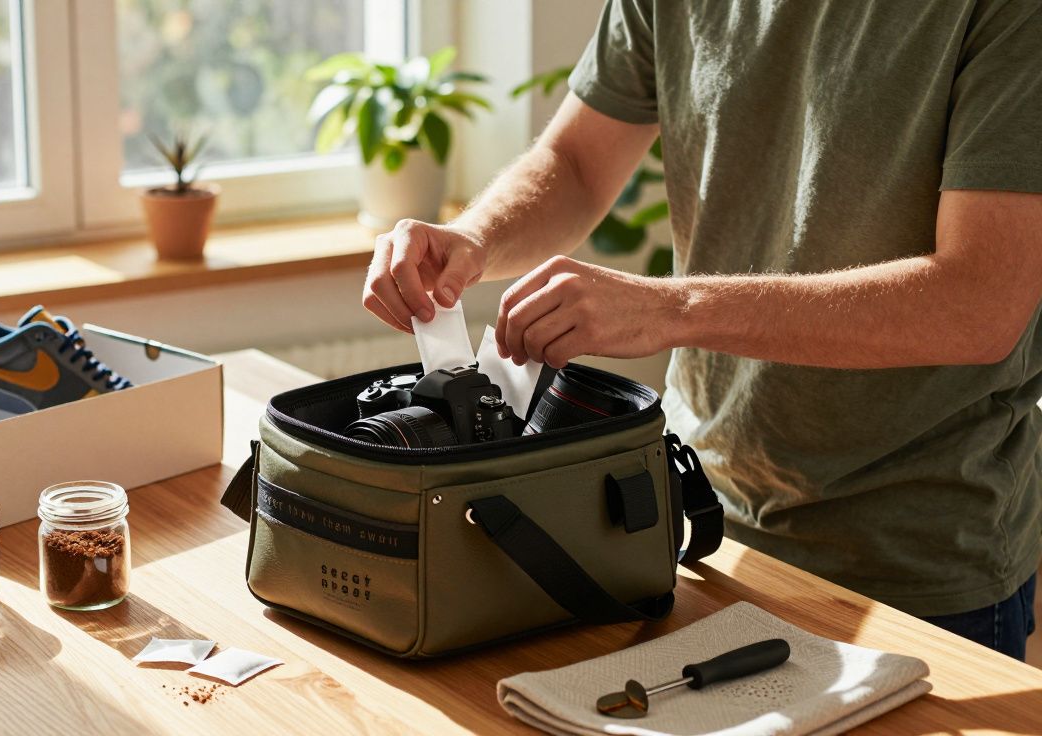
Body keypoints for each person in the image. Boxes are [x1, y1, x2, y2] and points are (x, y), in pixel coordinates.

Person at [362, 0, 1041, 660]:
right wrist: (474, 237)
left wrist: (674, 308)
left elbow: (980, 303)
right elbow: (576, 163)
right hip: (694, 518)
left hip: (916, 558)